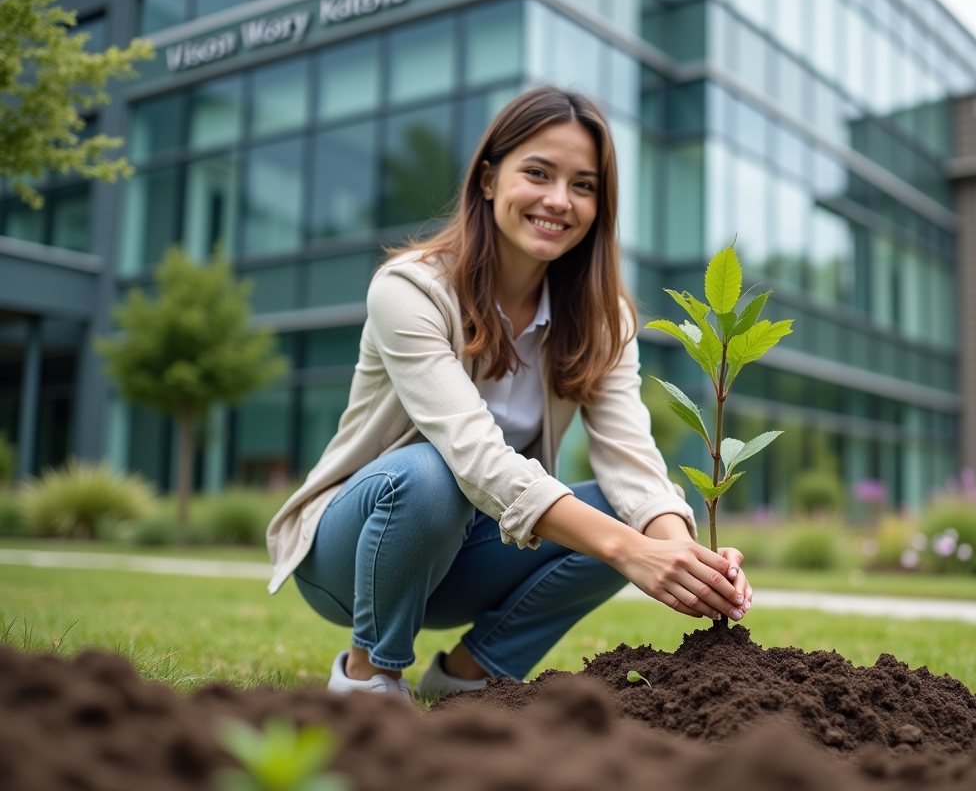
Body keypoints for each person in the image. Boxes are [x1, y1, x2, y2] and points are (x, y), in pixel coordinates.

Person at [265, 86, 754, 702]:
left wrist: (682, 558)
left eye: (583, 185)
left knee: (620, 506)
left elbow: (632, 462)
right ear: (490, 179)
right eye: (538, 173)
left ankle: (471, 674)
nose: (559, 200)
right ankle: (370, 673)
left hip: (472, 556)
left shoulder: (605, 322)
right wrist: (632, 552)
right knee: (431, 472)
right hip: (355, 555)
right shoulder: (410, 290)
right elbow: (475, 458)